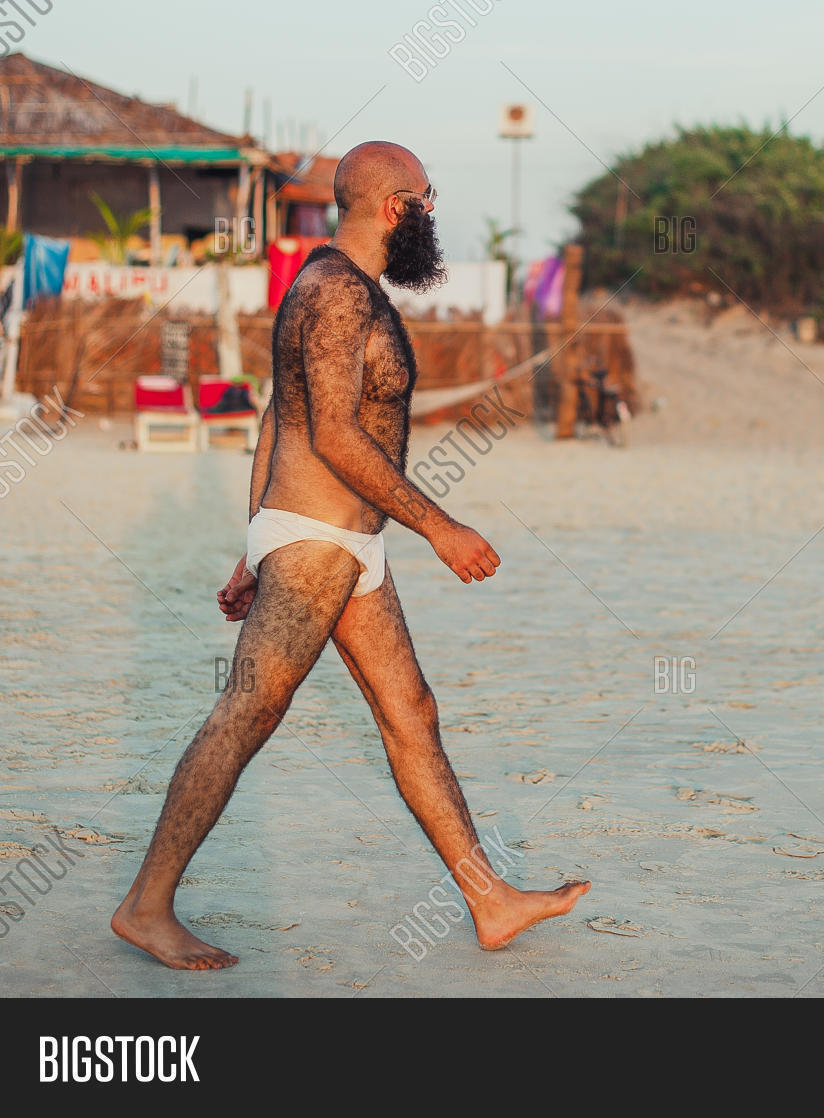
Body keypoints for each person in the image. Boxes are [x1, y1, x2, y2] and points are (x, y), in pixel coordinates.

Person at [111, 141, 589, 970]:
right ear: (395, 206)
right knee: (248, 711)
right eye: (427, 201)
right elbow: (330, 431)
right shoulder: (335, 293)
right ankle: (147, 907)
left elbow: (275, 414)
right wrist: (440, 527)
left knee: (412, 717)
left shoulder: (333, 285)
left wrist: (246, 545)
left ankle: (491, 900)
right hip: (318, 539)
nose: (433, 216)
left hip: (336, 542)